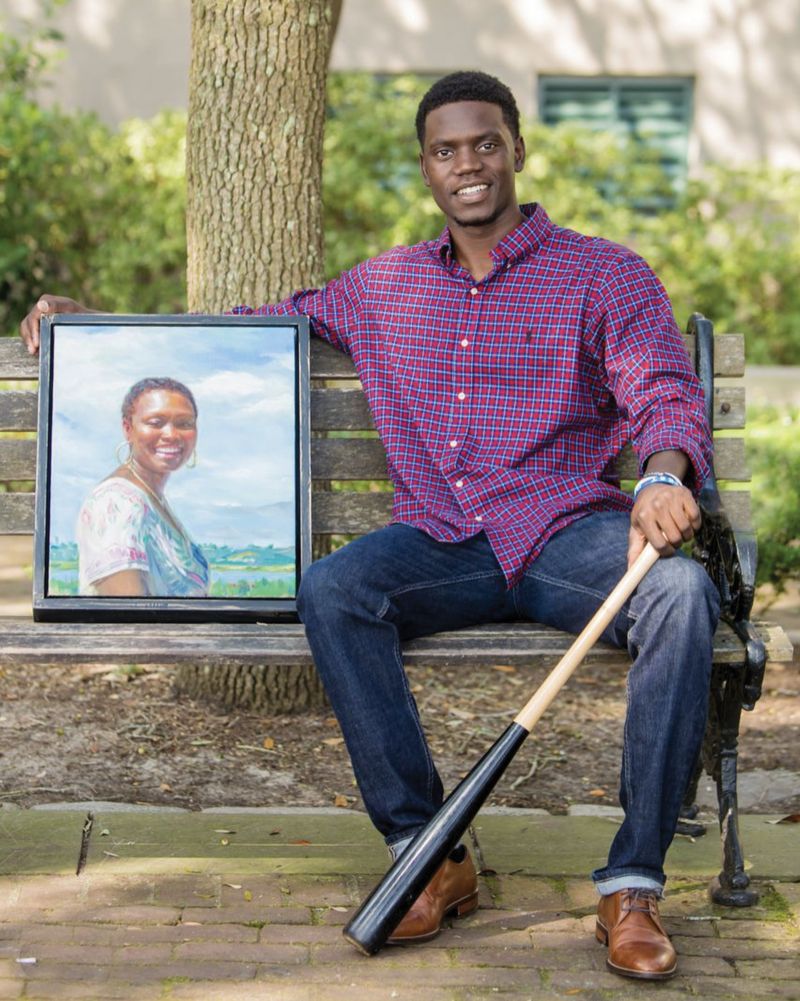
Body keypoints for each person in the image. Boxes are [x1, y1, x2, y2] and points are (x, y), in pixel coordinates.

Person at [21, 71, 719, 981]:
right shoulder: (380, 287)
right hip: (440, 542)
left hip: (560, 532)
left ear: (515, 149)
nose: (466, 164)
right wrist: (96, 327)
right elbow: (240, 334)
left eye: (484, 144)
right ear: (426, 167)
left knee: (682, 592)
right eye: (445, 150)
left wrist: (663, 476)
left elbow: (664, 389)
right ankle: (431, 851)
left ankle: (631, 885)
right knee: (335, 585)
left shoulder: (603, 273)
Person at [75, 377, 209, 597]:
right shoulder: (116, 503)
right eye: (156, 423)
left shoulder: (151, 497)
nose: (172, 435)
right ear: (128, 428)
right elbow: (128, 614)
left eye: (184, 423)